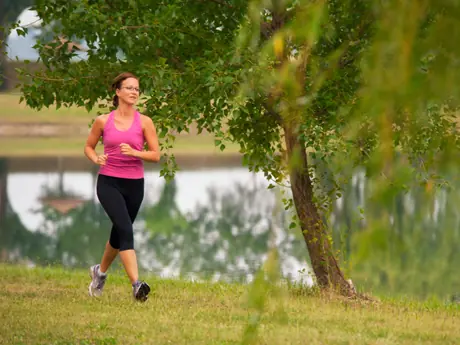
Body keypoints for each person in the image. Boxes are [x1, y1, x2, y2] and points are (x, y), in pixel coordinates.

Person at [84, 72, 161, 302]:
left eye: (137, 89)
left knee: (119, 234)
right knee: (126, 230)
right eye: (129, 88)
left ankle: (100, 273)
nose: (134, 92)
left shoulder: (145, 122)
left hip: (135, 185)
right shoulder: (103, 121)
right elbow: (88, 147)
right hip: (108, 182)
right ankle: (137, 285)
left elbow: (156, 155)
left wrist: (135, 152)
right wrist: (95, 158)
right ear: (117, 92)